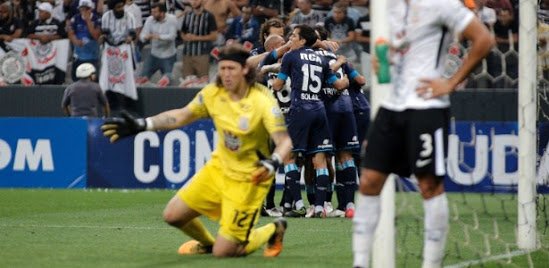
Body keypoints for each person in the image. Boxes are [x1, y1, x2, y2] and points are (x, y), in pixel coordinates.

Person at [101, 44, 292, 258]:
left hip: (249, 178)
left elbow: (284, 141)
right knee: (173, 216)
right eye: (222, 69)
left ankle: (273, 229)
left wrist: (273, 161)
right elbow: (182, 116)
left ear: (245, 70)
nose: (226, 75)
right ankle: (209, 243)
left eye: (231, 69)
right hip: (218, 169)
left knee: (226, 252)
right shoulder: (213, 93)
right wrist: (143, 125)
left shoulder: (262, 99)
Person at [351, 0, 495, 267]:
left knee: (428, 185)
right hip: (392, 105)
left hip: (426, 106)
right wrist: (386, 58)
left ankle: (431, 264)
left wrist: (451, 82)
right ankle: (360, 262)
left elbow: (484, 39)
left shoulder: (441, 4)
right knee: (369, 181)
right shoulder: (387, 6)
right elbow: (400, 47)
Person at [272, 24, 348, 218]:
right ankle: (321, 207)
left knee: (290, 157)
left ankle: (298, 204)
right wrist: (346, 81)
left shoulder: (290, 56)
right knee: (319, 159)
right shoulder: (322, 59)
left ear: (303, 40)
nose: (291, 40)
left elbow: (278, 84)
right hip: (319, 110)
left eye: (294, 36)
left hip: (300, 110)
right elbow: (338, 85)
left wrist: (273, 78)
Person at [136, 3, 178, 86]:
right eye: (152, 12)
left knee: (168, 81)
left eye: (155, 12)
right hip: (154, 54)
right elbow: (142, 35)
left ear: (162, 13)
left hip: (168, 56)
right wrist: (145, 37)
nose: (152, 14)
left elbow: (172, 36)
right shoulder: (150, 19)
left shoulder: (172, 19)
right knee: (143, 77)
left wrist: (158, 37)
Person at [179, 0, 217, 81]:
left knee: (203, 82)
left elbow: (214, 36)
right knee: (187, 81)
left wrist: (196, 38)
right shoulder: (188, 15)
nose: (194, 2)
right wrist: (185, 37)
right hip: (187, 54)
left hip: (202, 54)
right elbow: (182, 32)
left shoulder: (209, 16)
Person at [68, 0, 102, 82]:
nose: (84, 11)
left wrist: (88, 21)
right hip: (79, 55)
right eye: (82, 9)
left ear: (91, 9)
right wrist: (75, 41)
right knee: (76, 78)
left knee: (93, 79)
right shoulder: (75, 19)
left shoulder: (97, 19)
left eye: (86, 9)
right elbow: (70, 33)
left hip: (93, 55)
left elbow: (96, 35)